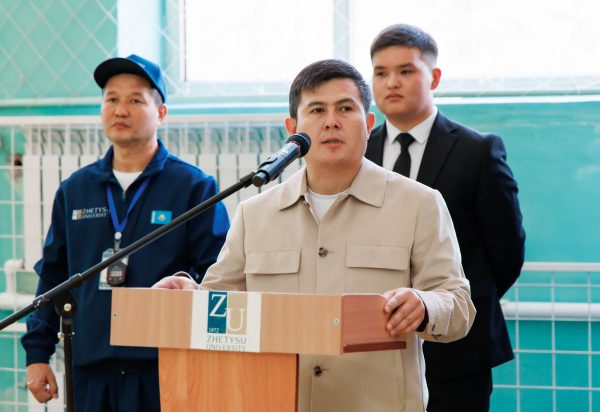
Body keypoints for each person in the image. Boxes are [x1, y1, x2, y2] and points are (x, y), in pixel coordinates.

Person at [154, 59, 475, 412]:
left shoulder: (419, 204)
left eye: (346, 108)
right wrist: (190, 296)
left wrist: (425, 305)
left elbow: (458, 304)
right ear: (292, 128)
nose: (331, 121)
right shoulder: (255, 214)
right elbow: (219, 304)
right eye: (317, 110)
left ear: (369, 124)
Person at [20, 54, 230, 412]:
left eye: (135, 100)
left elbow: (219, 275)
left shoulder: (194, 187)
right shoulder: (75, 190)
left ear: (160, 113)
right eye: (111, 99)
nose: (120, 110)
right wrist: (37, 354)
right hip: (89, 370)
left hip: (163, 368)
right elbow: (53, 276)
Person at [366, 24, 526, 412]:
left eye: (405, 71)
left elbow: (506, 252)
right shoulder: (360, 152)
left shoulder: (478, 150)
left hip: (457, 350)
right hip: (372, 341)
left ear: (434, 77)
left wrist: (453, 305)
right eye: (381, 72)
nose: (391, 82)